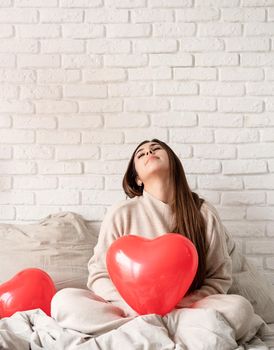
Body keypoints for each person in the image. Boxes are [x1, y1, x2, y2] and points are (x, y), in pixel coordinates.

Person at [51, 139, 261, 341]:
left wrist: (180, 304)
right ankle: (163, 332)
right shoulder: (121, 213)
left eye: (156, 149)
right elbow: (99, 275)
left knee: (240, 309)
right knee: (64, 302)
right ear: (137, 179)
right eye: (141, 154)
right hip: (128, 311)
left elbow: (218, 277)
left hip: (185, 312)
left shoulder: (203, 212)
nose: (149, 153)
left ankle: (146, 333)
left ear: (173, 164)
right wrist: (132, 307)